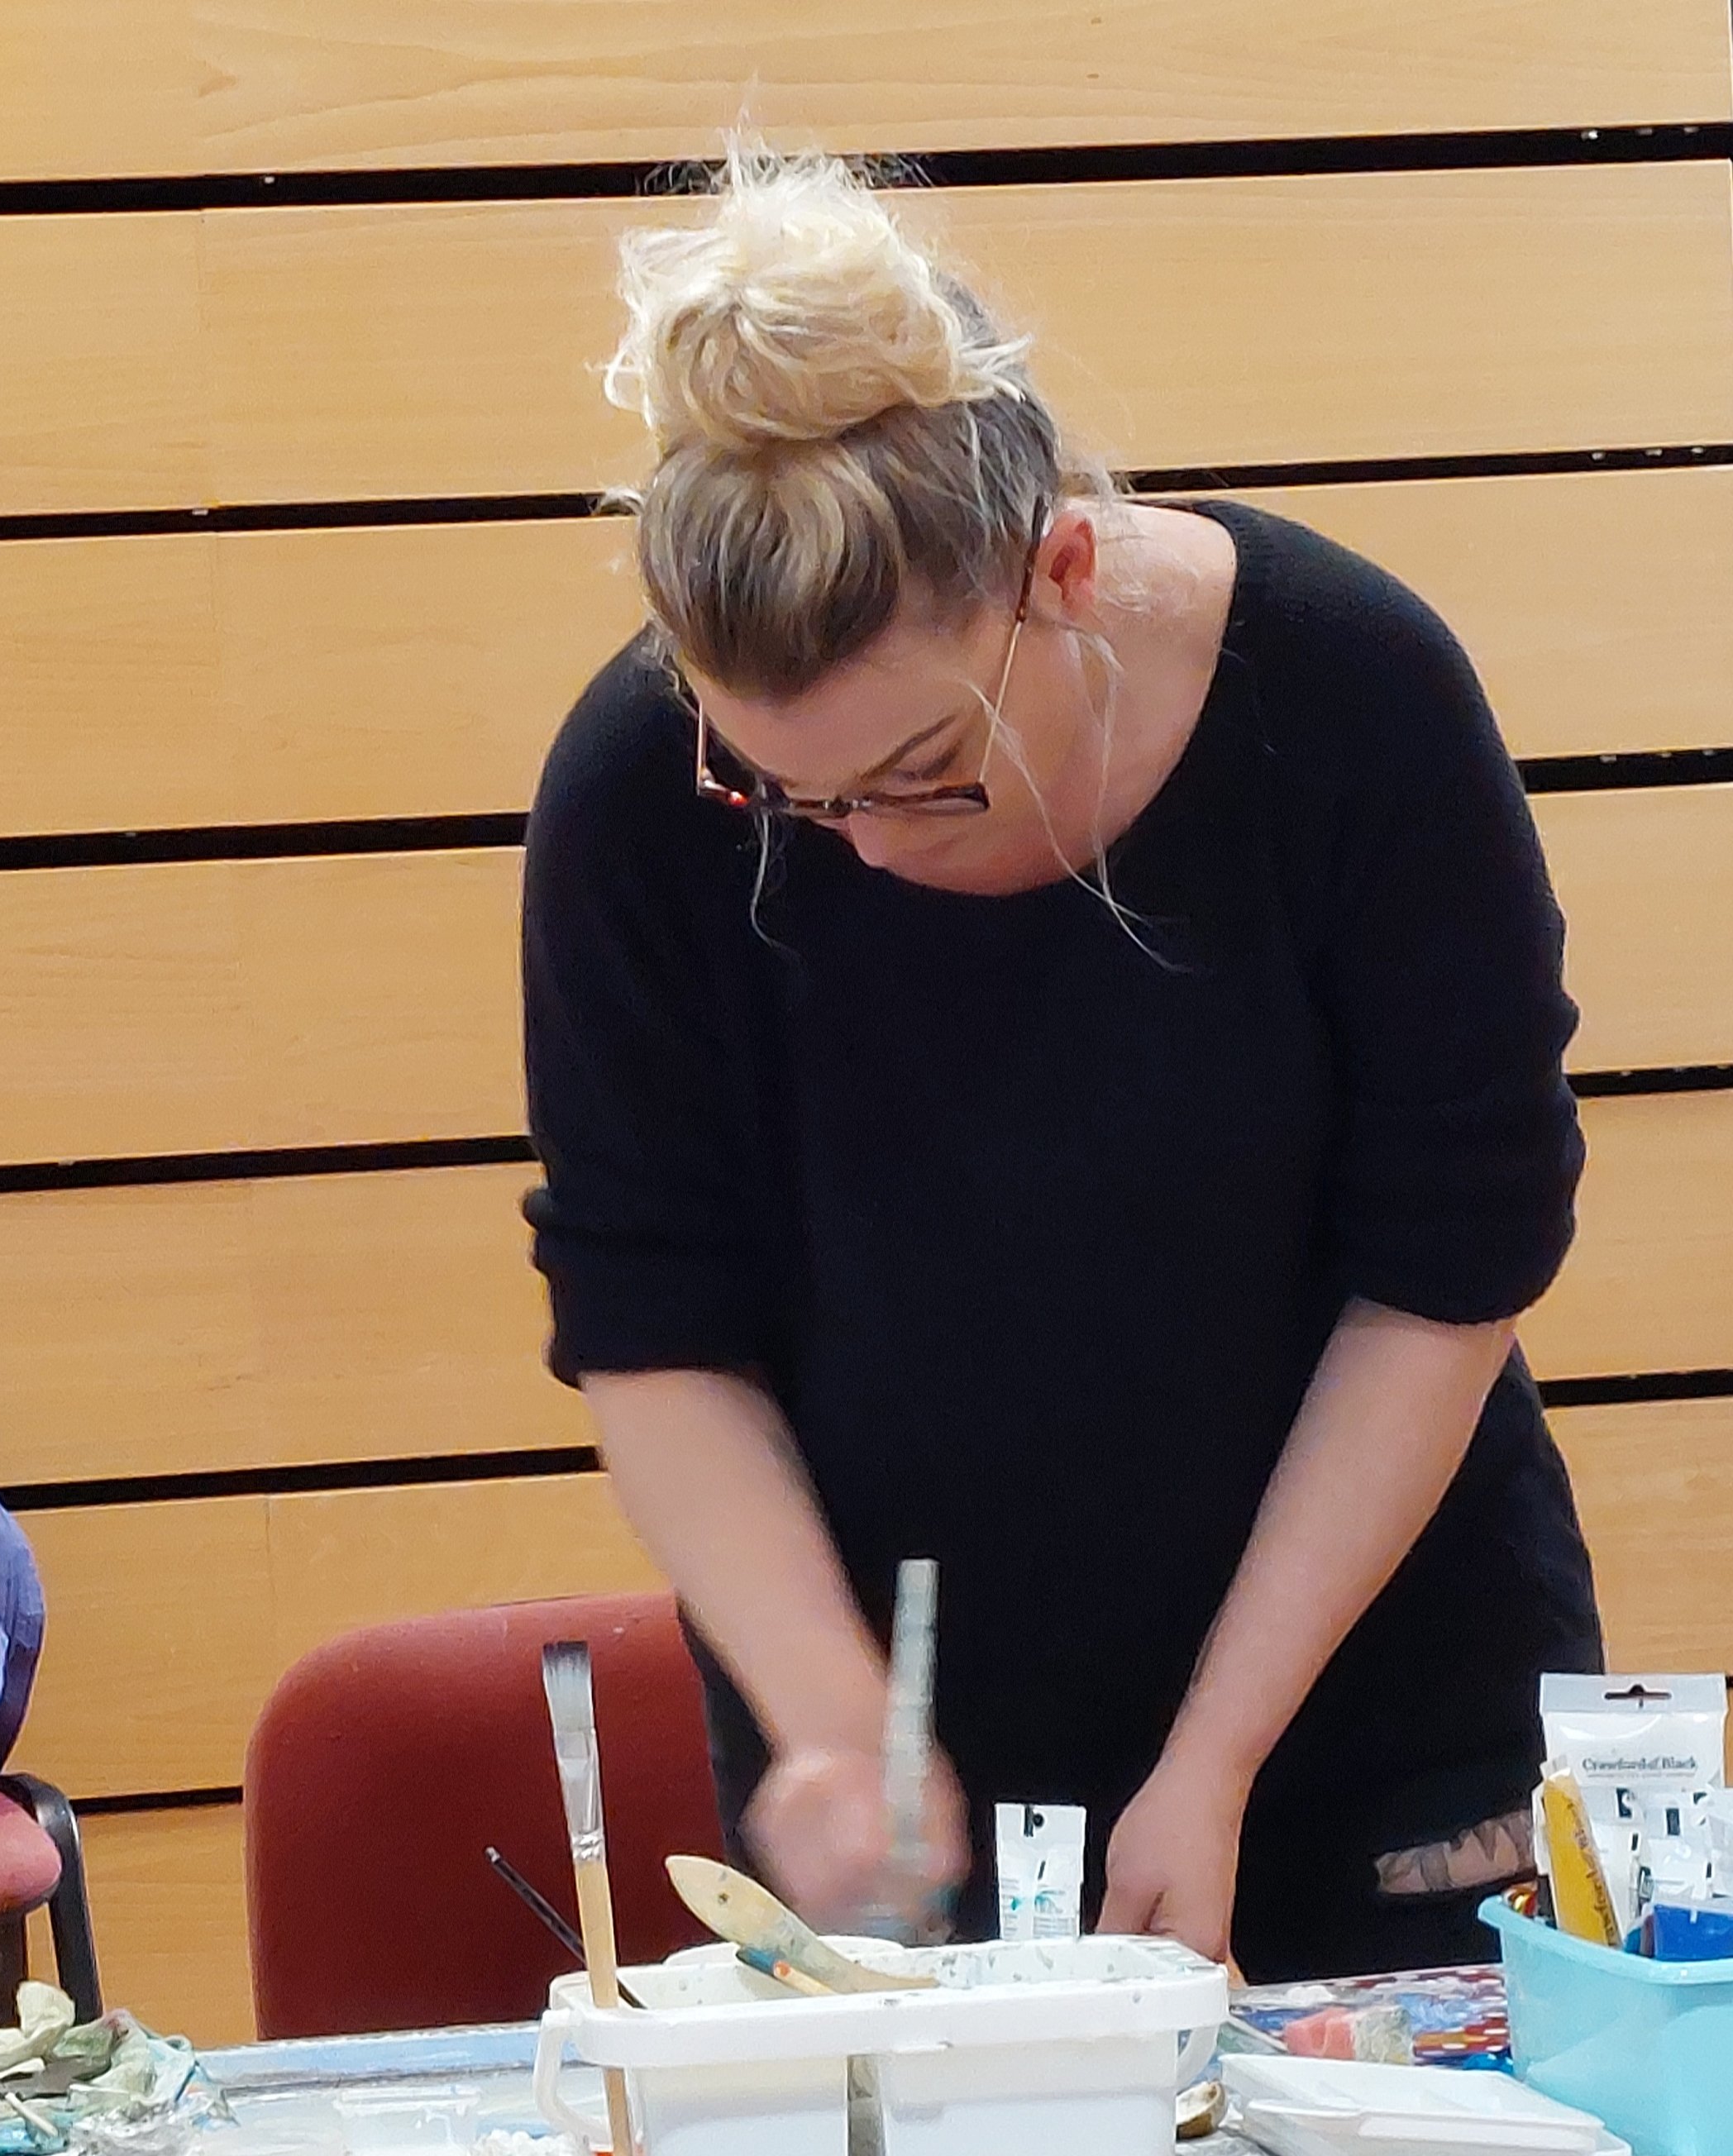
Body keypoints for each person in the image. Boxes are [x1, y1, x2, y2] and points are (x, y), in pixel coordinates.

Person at [519, 148, 1601, 1981]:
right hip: (914, 1768)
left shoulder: (1353, 694)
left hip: (1374, 1700)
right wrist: (831, 1724)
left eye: (920, 774)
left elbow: (1451, 1264)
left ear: (1066, 569)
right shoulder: (633, 793)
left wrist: (1217, 1758)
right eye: (780, 793)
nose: (858, 849)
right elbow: (651, 1316)